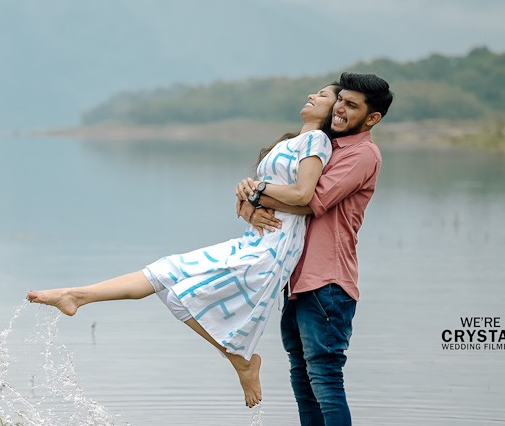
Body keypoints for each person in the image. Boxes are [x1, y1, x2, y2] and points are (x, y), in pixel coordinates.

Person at [26, 84, 340, 408]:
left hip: (274, 244)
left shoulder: (317, 141)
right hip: (255, 236)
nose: (313, 96)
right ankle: (77, 295)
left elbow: (304, 196)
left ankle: (241, 360)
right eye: (316, 92)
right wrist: (248, 197)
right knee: (166, 273)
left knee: (179, 294)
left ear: (335, 111)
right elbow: (267, 191)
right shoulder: (289, 142)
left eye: (324, 96)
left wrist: (256, 191)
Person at [236, 72, 392, 426]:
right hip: (297, 279)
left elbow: (311, 202)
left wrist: (254, 190)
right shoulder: (324, 146)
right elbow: (279, 199)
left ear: (372, 118)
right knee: (302, 379)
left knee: (324, 379)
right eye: (341, 99)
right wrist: (249, 195)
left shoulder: (362, 155)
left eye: (352, 105)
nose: (340, 108)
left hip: (328, 282)